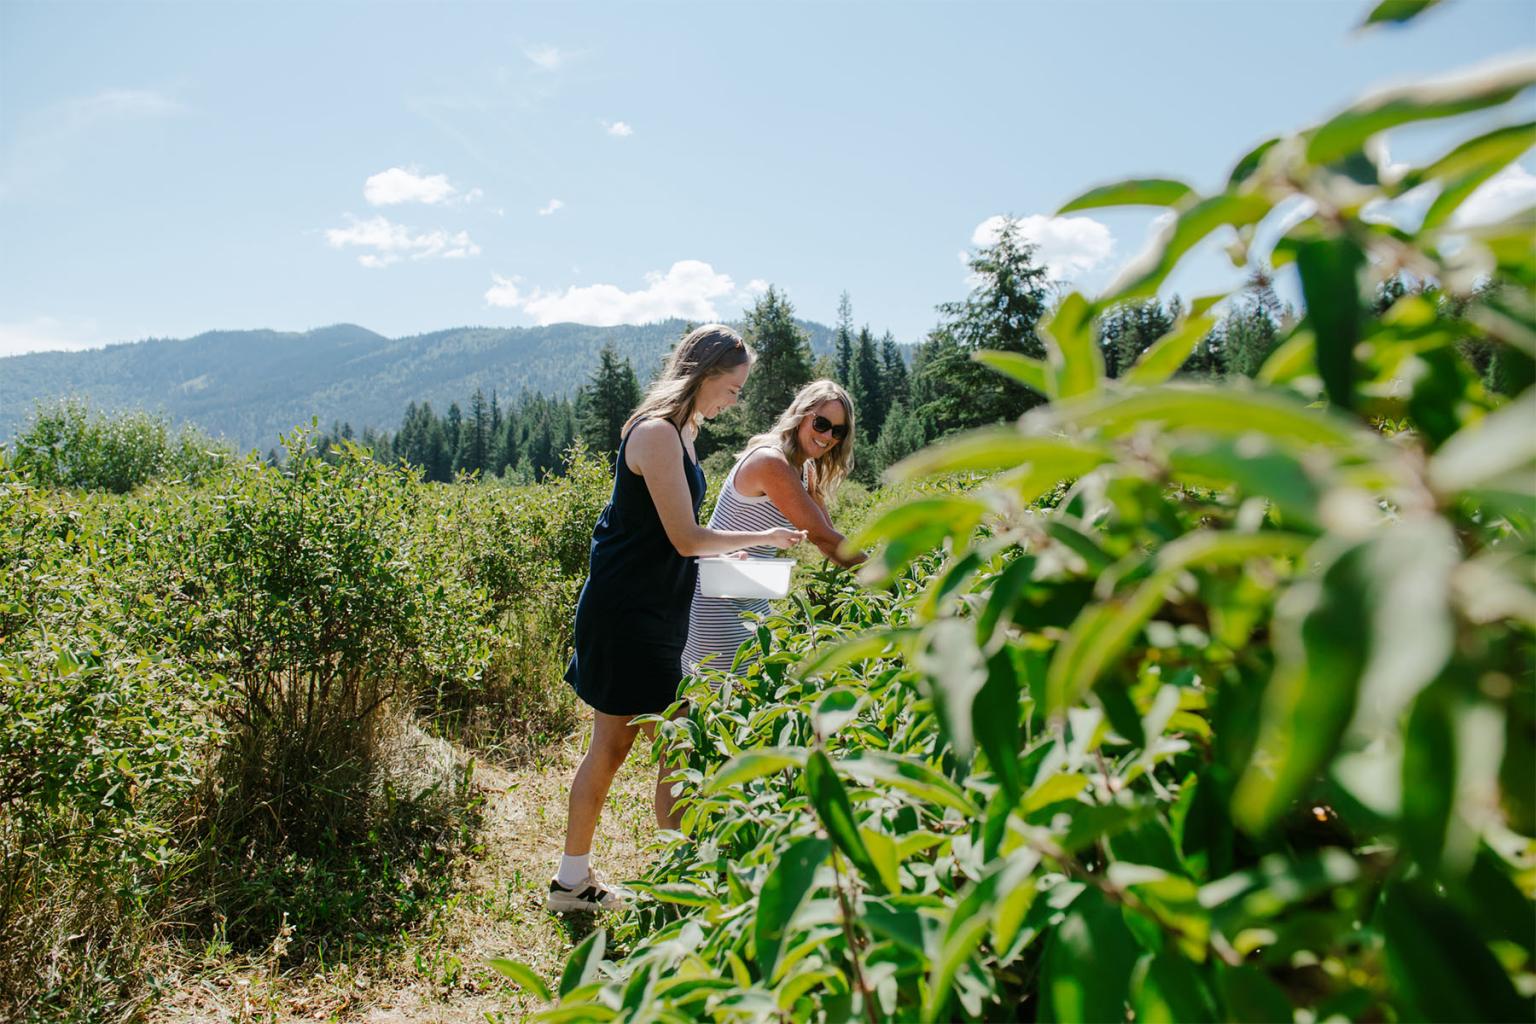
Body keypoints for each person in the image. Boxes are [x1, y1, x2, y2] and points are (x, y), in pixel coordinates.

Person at [548, 324, 805, 913]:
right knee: (621, 745)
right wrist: (761, 534)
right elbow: (687, 539)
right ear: (705, 373)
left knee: (674, 741)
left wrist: (731, 553)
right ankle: (587, 881)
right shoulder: (659, 434)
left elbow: (671, 537)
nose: (734, 401)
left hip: (659, 609)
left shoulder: (684, 432)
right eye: (733, 389)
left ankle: (667, 872)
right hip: (627, 613)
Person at [683, 379, 866, 675]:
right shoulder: (772, 462)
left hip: (749, 597)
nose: (828, 436)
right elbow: (824, 539)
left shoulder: (803, 469)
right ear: (801, 415)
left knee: (755, 703)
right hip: (716, 606)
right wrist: (888, 580)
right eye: (821, 424)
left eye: (838, 430)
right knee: (726, 708)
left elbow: (828, 535)